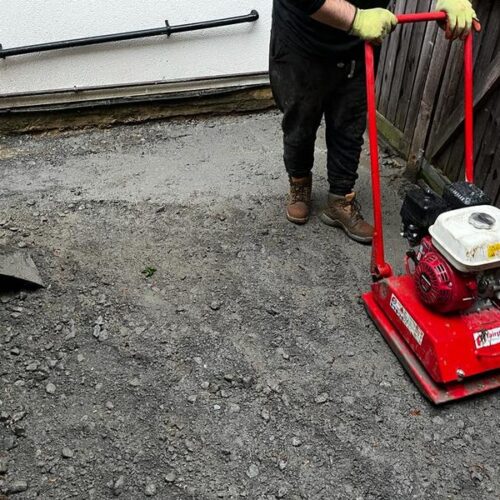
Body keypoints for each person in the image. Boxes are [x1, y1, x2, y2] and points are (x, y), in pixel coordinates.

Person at [270, 0, 478, 244]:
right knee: (300, 125)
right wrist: (356, 19)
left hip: (357, 44)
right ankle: (299, 182)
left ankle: (340, 199)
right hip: (302, 40)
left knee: (350, 125)